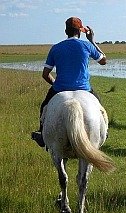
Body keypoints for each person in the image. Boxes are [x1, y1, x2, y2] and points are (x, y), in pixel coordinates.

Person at [31, 16, 107, 147]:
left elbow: (45, 74)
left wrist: (55, 84)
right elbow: (103, 61)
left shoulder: (56, 48)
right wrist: (92, 41)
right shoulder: (87, 45)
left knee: (44, 106)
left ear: (66, 32)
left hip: (60, 88)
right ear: (80, 32)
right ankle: (104, 131)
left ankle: (42, 133)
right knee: (99, 106)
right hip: (84, 88)